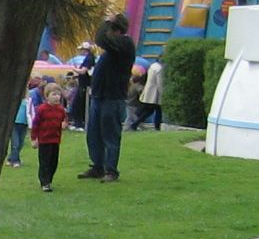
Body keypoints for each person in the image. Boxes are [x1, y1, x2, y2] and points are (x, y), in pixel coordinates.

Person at [80, 13, 134, 182]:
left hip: (113, 97)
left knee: (110, 134)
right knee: (94, 134)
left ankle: (111, 170)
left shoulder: (125, 44)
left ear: (115, 30)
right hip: (100, 96)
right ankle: (97, 166)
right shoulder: (111, 50)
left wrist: (106, 22)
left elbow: (101, 39)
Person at [31, 83, 68, 191]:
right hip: (44, 140)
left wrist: (64, 124)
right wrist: (34, 138)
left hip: (55, 139)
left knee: (53, 162)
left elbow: (64, 119)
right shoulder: (42, 109)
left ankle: (49, 179)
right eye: (54, 94)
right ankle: (44, 182)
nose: (57, 97)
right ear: (47, 96)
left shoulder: (60, 109)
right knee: (44, 161)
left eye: (58, 94)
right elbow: (35, 124)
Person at [8, 77, 38, 167]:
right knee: (15, 143)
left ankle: (11, 158)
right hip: (15, 124)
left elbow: (31, 112)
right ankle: (16, 161)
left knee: (21, 143)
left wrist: (32, 124)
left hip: (24, 124)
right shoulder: (15, 101)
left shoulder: (28, 101)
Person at [133, 57, 163, 131]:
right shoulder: (159, 69)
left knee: (149, 110)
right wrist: (162, 92)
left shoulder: (152, 66)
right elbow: (159, 83)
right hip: (155, 93)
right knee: (157, 110)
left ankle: (135, 124)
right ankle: (157, 127)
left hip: (149, 91)